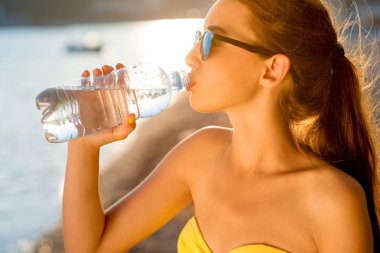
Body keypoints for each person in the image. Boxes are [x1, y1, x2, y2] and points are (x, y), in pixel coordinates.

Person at [62, 0, 380, 252]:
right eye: (197, 39)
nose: (189, 56)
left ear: (272, 70)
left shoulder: (334, 201)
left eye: (210, 41)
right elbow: (89, 247)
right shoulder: (200, 155)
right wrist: (84, 141)